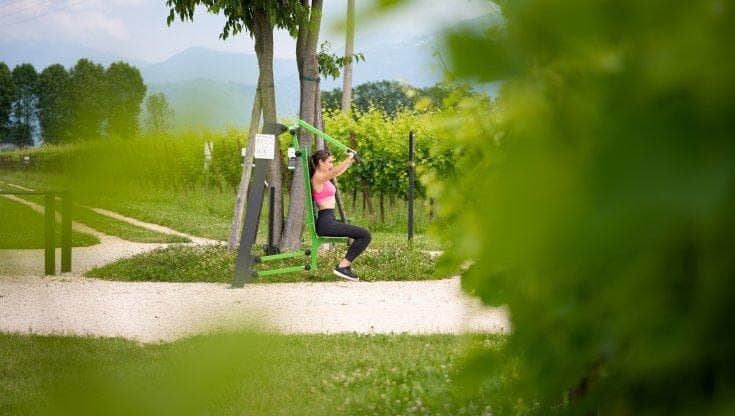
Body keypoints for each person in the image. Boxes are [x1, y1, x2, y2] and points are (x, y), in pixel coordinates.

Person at [310, 149, 371, 281]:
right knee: (365, 235)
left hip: (329, 220)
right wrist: (349, 158)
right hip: (326, 224)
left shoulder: (324, 177)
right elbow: (335, 172)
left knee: (364, 235)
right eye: (330, 162)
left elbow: (337, 172)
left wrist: (350, 161)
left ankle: (344, 267)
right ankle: (343, 267)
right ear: (320, 162)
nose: (331, 165)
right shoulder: (317, 178)